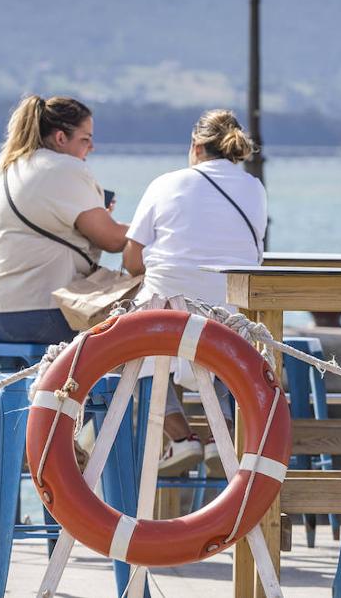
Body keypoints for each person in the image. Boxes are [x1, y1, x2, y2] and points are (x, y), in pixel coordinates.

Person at [123, 109, 266, 474]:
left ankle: (181, 437)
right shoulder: (254, 187)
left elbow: (132, 258)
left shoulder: (166, 183)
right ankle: (223, 436)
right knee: (214, 353)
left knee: (132, 352)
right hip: (229, 311)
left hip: (166, 310)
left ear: (196, 147)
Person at [0, 95, 127, 350]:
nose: (91, 148)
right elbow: (113, 239)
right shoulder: (64, 168)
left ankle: (27, 390)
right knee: (137, 318)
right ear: (61, 138)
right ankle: (117, 389)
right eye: (86, 139)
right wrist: (153, 226)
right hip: (34, 314)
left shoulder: (2, 168)